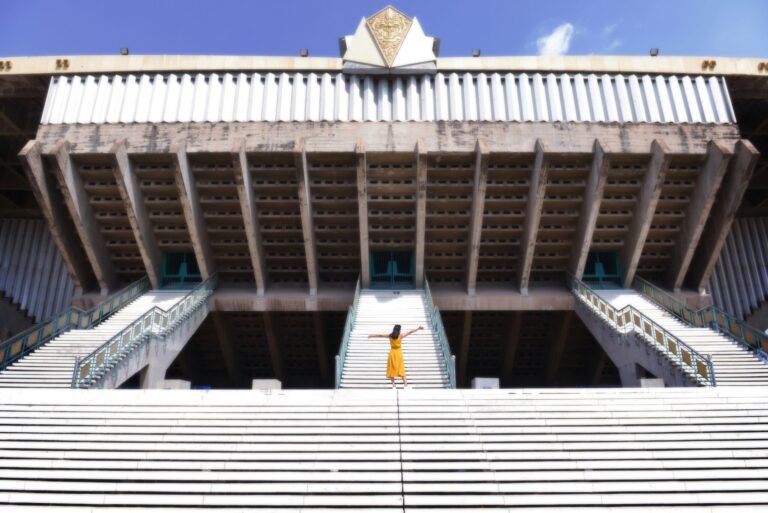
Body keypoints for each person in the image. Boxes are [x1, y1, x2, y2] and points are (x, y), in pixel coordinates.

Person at [368, 324, 424, 389]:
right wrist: (418, 328)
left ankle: (393, 385)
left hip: (392, 353)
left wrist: (371, 335)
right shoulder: (400, 336)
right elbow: (410, 332)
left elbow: (380, 335)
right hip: (398, 354)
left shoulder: (390, 336)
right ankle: (405, 385)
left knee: (391, 369)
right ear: (399, 330)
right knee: (401, 369)